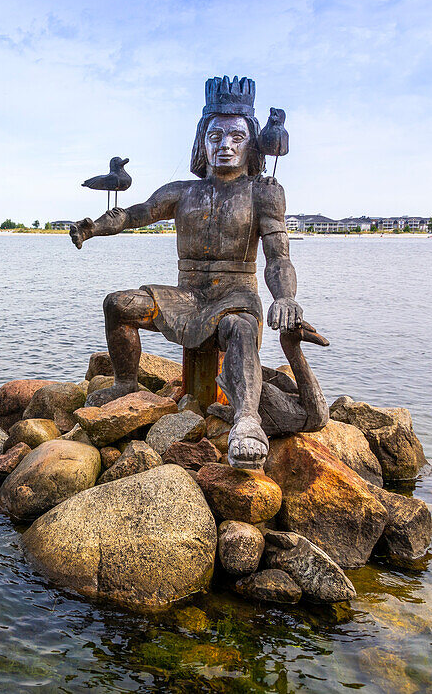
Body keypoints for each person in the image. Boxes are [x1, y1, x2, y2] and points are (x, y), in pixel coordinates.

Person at [69, 76, 311, 470]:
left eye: (236, 136)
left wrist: (285, 296)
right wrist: (92, 228)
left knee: (242, 330)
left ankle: (247, 420)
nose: (225, 146)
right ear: (202, 142)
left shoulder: (263, 191)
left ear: (252, 144)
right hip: (186, 297)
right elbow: (133, 215)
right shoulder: (182, 191)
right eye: (215, 137)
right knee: (118, 305)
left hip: (236, 294)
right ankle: (125, 384)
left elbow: (278, 255)